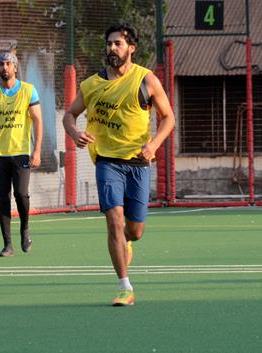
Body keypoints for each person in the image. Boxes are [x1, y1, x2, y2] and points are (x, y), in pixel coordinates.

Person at [63, 23, 175, 306]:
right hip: (107, 162)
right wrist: (76, 133)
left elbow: (169, 118)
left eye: (118, 44)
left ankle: (126, 241)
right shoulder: (91, 84)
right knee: (114, 220)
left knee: (134, 231)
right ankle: (124, 286)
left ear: (131, 48)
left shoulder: (146, 80)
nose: (112, 48)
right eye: (109, 43)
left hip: (138, 163)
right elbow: (70, 115)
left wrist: (153, 145)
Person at [0, 49, 43, 257]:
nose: (4, 68)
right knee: (2, 198)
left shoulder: (29, 90)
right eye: (1, 64)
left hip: (21, 153)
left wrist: (37, 150)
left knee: (21, 194)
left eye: (8, 64)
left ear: (15, 67)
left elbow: (38, 120)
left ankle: (25, 229)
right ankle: (7, 244)